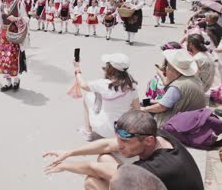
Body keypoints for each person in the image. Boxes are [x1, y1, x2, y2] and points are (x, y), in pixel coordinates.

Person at [43, 110, 204, 190]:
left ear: (148, 140)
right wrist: (69, 153)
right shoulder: (157, 134)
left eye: (125, 141)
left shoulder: (155, 168)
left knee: (92, 182)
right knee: (105, 157)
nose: (120, 146)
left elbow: (94, 169)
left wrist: (64, 166)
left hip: (158, 180)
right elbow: (107, 145)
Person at [73, 53, 139, 140]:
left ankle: (87, 132)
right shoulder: (132, 86)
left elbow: (82, 84)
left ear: (110, 68)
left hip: (104, 128)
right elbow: (137, 109)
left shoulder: (102, 84)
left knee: (87, 97)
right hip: (122, 129)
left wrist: (77, 69)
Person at [141, 49, 206, 127]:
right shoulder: (193, 78)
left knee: (143, 115)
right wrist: (150, 102)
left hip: (181, 121)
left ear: (175, 71)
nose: (165, 69)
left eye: (167, 67)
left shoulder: (177, 86)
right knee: (145, 102)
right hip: (193, 115)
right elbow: (169, 100)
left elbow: (162, 107)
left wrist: (143, 109)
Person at [0, 0, 29, 92]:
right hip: (3, 36)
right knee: (4, 60)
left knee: (13, 60)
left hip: (15, 36)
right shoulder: (1, 6)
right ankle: (8, 83)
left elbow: (26, 19)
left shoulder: (19, 4)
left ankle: (16, 80)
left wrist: (16, 19)